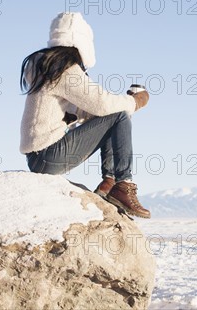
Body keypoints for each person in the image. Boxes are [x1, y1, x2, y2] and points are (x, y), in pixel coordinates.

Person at [19, 12, 151, 218]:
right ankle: (122, 184)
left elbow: (86, 110)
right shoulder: (63, 69)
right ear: (83, 41)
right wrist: (135, 102)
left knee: (114, 115)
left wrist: (117, 109)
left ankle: (109, 184)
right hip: (47, 155)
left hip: (38, 157)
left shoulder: (48, 66)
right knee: (119, 114)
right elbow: (101, 103)